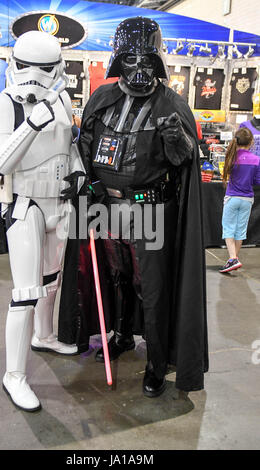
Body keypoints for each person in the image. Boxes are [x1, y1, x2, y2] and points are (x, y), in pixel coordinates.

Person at [78, 16, 208, 396]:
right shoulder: (102, 99)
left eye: (146, 60)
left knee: (150, 285)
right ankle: (119, 335)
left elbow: (185, 163)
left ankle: (156, 360)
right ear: (118, 59)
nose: (138, 68)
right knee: (115, 277)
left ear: (158, 62)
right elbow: (84, 150)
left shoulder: (172, 104)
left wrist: (176, 138)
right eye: (130, 59)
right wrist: (85, 180)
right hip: (107, 207)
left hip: (152, 210)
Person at [0, 31, 85, 412]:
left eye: (43, 68)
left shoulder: (62, 100)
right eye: (26, 66)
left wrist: (77, 170)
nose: (35, 76)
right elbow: (0, 163)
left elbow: (70, 145)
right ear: (13, 64)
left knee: (51, 281)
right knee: (26, 292)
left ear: (57, 69)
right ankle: (14, 375)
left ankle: (44, 335)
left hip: (59, 203)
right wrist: (32, 122)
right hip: (26, 204)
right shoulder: (1, 103)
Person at [219, 127, 260, 273]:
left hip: (232, 198)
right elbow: (257, 180)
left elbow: (226, 173)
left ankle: (233, 259)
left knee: (228, 228)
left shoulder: (231, 157)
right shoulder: (256, 160)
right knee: (240, 231)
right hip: (247, 199)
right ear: (251, 143)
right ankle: (233, 259)